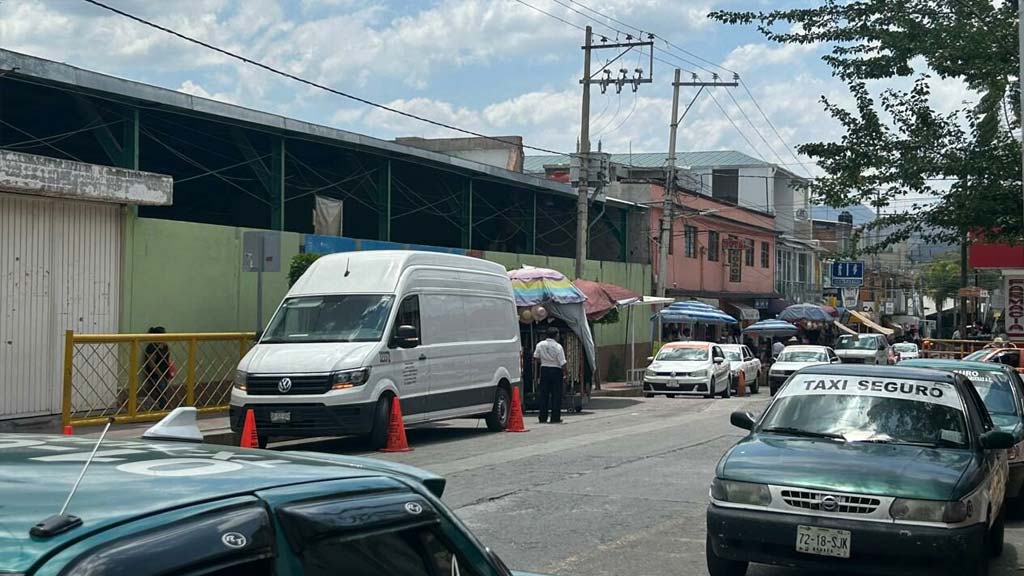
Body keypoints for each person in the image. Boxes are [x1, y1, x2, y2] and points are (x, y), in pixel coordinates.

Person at [533, 326, 567, 424]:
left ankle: (542, 417)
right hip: (556, 371)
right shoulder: (558, 347)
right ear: (556, 335)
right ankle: (555, 418)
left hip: (544, 370)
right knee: (556, 395)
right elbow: (563, 362)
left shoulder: (540, 345)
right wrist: (565, 373)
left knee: (544, 395)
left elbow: (536, 358)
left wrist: (544, 361)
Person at [143, 326, 172, 409]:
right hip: (155, 375)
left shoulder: (165, 346)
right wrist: (159, 374)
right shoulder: (152, 347)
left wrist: (169, 371)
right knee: (160, 391)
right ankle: (160, 408)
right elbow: (151, 363)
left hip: (164, 373)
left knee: (163, 391)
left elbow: (167, 359)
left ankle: (161, 408)